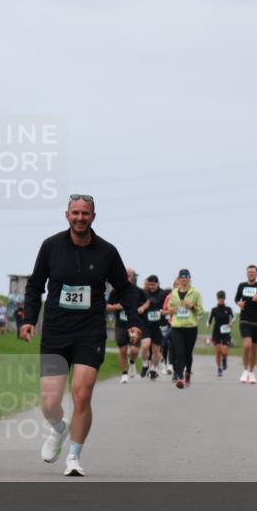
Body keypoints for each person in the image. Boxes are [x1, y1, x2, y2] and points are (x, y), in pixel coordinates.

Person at [20, 194, 141, 477]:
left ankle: (74, 456)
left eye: (85, 213)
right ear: (67, 215)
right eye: (75, 213)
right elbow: (35, 285)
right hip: (56, 331)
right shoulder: (51, 246)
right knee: (50, 403)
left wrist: (134, 322)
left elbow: (125, 289)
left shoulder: (107, 252)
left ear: (93, 217)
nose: (80, 218)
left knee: (82, 394)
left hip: (90, 332)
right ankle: (59, 428)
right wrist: (28, 320)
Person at [166, 269, 204, 389]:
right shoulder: (174, 293)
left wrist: (192, 307)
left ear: (189, 278)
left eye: (186, 276)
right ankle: (180, 378)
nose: (184, 279)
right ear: (179, 279)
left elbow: (201, 311)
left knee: (188, 353)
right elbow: (169, 309)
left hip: (191, 327)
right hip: (176, 327)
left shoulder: (196, 293)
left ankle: (188, 373)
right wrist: (172, 310)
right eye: (182, 277)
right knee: (179, 352)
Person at [105, 267, 143, 383]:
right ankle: (124, 374)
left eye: (129, 275)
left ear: (133, 277)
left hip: (134, 325)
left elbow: (146, 303)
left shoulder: (138, 291)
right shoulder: (115, 291)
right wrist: (117, 306)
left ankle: (132, 362)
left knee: (134, 350)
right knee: (122, 350)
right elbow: (107, 306)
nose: (126, 277)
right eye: (124, 275)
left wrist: (141, 308)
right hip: (121, 325)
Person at [139, 275, 168, 380]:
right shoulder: (143, 293)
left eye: (153, 285)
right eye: (149, 284)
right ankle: (145, 364)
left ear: (158, 284)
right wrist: (142, 308)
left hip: (158, 325)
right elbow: (138, 305)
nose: (151, 287)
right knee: (145, 345)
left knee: (156, 351)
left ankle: (153, 369)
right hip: (145, 324)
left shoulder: (163, 293)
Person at [207, 290, 234, 377]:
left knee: (224, 351)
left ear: (224, 298)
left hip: (226, 331)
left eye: (222, 298)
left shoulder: (228, 309)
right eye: (219, 298)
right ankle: (219, 368)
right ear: (217, 298)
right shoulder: (214, 309)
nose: (221, 299)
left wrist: (231, 322)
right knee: (218, 351)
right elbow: (209, 320)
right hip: (216, 332)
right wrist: (208, 325)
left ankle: (224, 359)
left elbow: (234, 317)